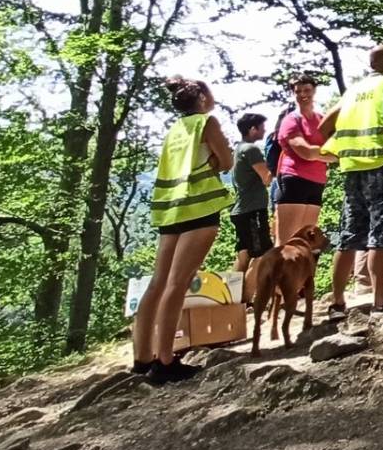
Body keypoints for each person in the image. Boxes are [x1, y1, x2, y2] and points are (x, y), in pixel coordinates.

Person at [132, 76, 235, 385]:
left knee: (158, 283)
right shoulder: (207, 122)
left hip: (169, 209)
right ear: (202, 98)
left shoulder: (175, 129)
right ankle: (165, 362)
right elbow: (227, 161)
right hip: (199, 208)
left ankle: (142, 358)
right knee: (178, 284)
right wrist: (218, 159)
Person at [319, 43, 383, 315]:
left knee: (349, 236)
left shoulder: (353, 91)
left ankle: (337, 302)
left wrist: (343, 149)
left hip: (353, 170)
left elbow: (323, 126)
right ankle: (380, 301)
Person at [273, 74, 336, 253]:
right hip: (294, 179)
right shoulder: (290, 120)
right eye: (298, 91)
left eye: (307, 90)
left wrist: (321, 152)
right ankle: (277, 280)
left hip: (317, 181)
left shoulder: (321, 119)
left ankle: (299, 280)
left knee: (307, 241)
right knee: (286, 242)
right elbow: (306, 152)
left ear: (314, 91)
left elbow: (337, 149)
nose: (303, 95)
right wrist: (327, 153)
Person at [230, 112, 273, 274]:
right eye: (262, 127)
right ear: (253, 129)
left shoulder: (239, 148)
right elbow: (266, 178)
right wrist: (277, 163)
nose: (264, 130)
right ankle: (248, 297)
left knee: (244, 254)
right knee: (260, 255)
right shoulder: (251, 149)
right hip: (252, 210)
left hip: (240, 210)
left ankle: (232, 296)